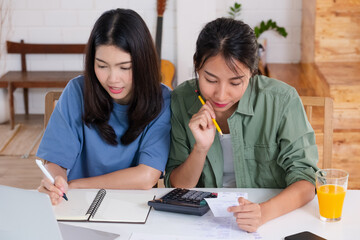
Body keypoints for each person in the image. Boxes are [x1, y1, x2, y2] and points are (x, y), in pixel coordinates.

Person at [165, 18, 318, 232]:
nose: (221, 94)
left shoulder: (282, 100)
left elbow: (306, 181)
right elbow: (177, 186)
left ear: (252, 72)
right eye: (210, 80)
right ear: (197, 66)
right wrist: (200, 149)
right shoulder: (181, 98)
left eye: (235, 83)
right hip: (202, 223)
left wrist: (263, 212)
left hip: (274, 218)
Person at [37, 9, 171, 205]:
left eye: (125, 67)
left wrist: (76, 185)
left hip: (133, 206)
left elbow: (147, 177)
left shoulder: (162, 99)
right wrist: (56, 181)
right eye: (101, 66)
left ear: (143, 62)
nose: (112, 79)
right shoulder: (76, 91)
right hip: (78, 204)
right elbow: (55, 161)